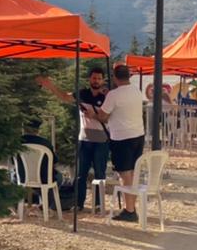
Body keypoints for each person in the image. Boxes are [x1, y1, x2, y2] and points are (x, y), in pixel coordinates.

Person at [38, 68, 110, 212]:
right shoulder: (82, 94)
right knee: (80, 174)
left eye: (99, 78)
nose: (96, 81)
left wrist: (94, 115)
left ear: (102, 80)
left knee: (100, 173)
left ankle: (98, 204)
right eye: (94, 78)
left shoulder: (107, 97)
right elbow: (65, 97)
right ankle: (79, 203)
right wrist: (50, 86)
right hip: (84, 139)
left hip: (102, 140)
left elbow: (108, 118)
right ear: (89, 79)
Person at [100, 64, 147, 221]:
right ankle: (131, 207)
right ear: (129, 76)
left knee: (124, 173)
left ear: (114, 77)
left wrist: (93, 113)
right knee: (132, 172)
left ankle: (130, 210)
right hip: (138, 135)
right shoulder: (136, 91)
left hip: (121, 137)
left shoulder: (113, 95)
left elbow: (103, 116)